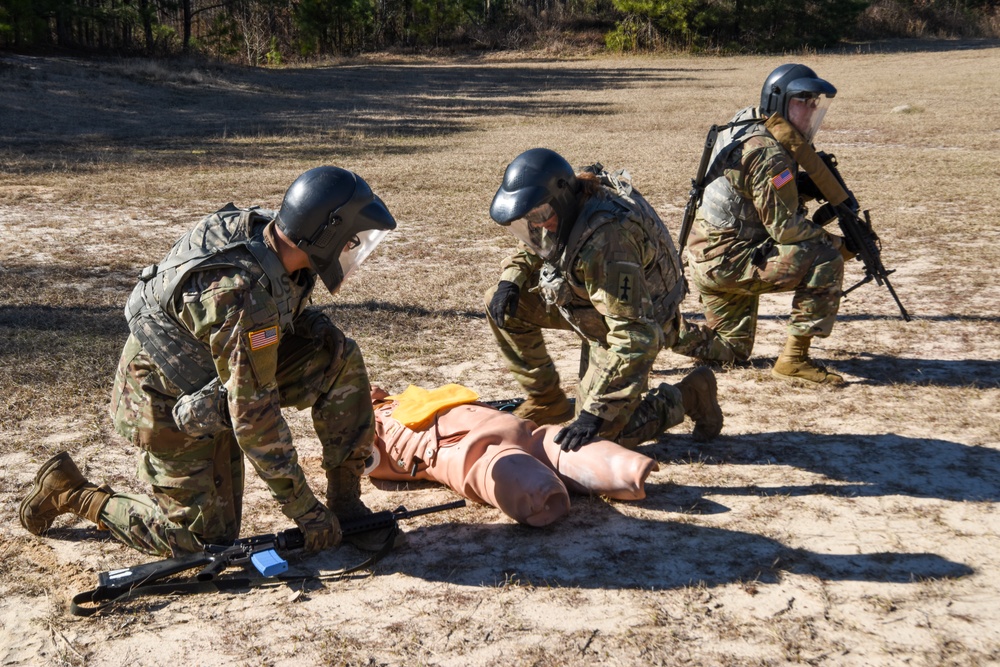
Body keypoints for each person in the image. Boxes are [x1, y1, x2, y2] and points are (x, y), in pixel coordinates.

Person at [19, 166, 396, 556]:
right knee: (204, 543)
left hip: (220, 379)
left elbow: (280, 325)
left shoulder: (274, 242)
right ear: (324, 232)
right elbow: (255, 419)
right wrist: (305, 511)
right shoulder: (244, 299)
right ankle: (72, 493)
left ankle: (346, 499)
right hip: (163, 400)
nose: (351, 250)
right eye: (349, 241)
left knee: (336, 353)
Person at [485, 148, 723, 453]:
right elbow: (535, 245)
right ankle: (548, 402)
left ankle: (690, 395)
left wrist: (595, 414)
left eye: (541, 215)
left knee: (601, 439)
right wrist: (511, 279)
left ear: (562, 198)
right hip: (593, 307)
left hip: (637, 320)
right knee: (497, 298)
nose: (539, 224)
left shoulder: (608, 241)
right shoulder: (559, 211)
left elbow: (636, 336)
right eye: (529, 218)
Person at [672, 63, 852, 385]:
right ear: (780, 102)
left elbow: (754, 194)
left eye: (815, 104)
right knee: (826, 258)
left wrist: (799, 189)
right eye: (803, 102)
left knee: (731, 349)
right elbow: (784, 228)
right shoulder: (770, 153)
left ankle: (653, 331)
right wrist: (838, 245)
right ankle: (794, 361)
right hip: (729, 261)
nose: (811, 111)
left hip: (709, 256)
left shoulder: (749, 123)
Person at [366, 384, 659, 527]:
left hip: (463, 449)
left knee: (494, 463)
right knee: (547, 443)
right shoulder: (403, 401)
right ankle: (626, 470)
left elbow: (365, 462)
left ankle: (546, 494)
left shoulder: (371, 421)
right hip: (497, 425)